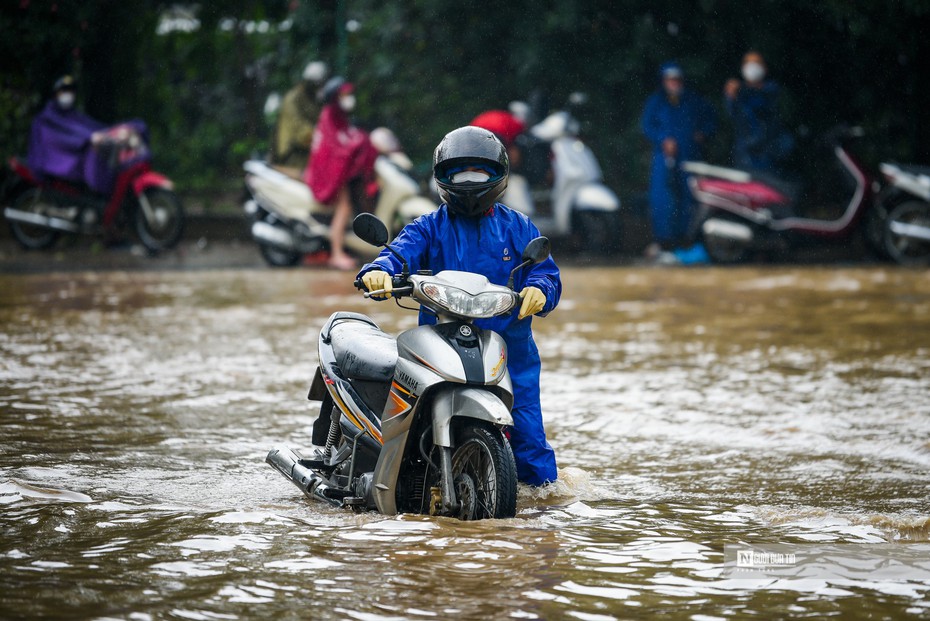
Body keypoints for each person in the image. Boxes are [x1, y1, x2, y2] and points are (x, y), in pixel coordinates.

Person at [357, 126, 561, 487]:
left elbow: (545, 272)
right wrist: (378, 271)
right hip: (439, 346)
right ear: (443, 177)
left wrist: (541, 290)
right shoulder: (428, 226)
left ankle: (538, 518)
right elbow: (397, 252)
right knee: (409, 422)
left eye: (479, 172)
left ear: (498, 175)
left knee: (529, 438)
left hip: (509, 351)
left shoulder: (519, 227)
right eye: (460, 173)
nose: (469, 181)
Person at [641, 61, 716, 261]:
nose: (673, 83)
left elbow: (711, 120)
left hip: (689, 157)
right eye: (669, 79)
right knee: (662, 198)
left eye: (676, 79)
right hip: (664, 157)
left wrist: (702, 134)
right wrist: (662, 140)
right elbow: (647, 126)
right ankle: (664, 241)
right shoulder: (656, 102)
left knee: (689, 198)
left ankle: (687, 240)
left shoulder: (693, 100)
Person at [304, 76, 378, 271]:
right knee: (344, 208)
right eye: (344, 95)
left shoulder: (339, 116)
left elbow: (347, 137)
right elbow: (336, 147)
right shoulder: (329, 116)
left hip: (337, 171)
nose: (348, 98)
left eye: (349, 94)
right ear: (335, 97)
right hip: (327, 173)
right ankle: (336, 254)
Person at [27, 75, 106, 184]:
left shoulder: (74, 115)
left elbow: (95, 127)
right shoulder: (46, 118)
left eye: (70, 91)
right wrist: (87, 139)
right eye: (63, 91)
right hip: (60, 165)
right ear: (55, 94)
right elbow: (57, 139)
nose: (67, 94)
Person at [723, 51, 794, 174]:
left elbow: (768, 99)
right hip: (745, 157)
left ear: (765, 68)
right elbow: (732, 113)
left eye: (756, 63)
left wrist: (741, 89)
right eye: (748, 63)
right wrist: (731, 96)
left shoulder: (772, 90)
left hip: (770, 157)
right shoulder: (737, 93)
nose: (752, 66)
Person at [271, 60, 329, 170]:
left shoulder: (316, 101)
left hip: (312, 152)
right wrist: (322, 137)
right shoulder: (292, 99)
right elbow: (300, 130)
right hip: (293, 155)